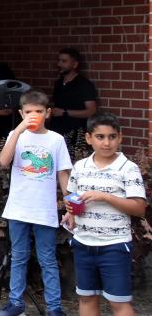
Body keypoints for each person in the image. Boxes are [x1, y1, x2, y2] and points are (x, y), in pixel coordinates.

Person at [0, 90, 71, 316]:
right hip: (18, 208)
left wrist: (70, 207)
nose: (33, 115)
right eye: (28, 112)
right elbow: (3, 161)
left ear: (47, 113)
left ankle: (54, 307)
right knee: (18, 256)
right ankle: (15, 303)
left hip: (44, 210)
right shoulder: (15, 135)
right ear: (21, 113)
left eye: (38, 111)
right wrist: (18, 130)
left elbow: (63, 175)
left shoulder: (56, 140)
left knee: (47, 258)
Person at [62, 112, 147, 316]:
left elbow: (139, 208)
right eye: (100, 137)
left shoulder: (128, 169)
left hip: (115, 245)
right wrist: (71, 213)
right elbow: (72, 196)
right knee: (86, 298)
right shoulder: (80, 166)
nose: (107, 143)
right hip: (83, 243)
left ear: (120, 137)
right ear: (89, 138)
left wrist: (106, 197)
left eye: (112, 137)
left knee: (119, 303)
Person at [49, 48, 98, 137]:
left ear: (75, 64)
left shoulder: (84, 85)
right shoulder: (58, 83)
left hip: (75, 134)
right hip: (56, 132)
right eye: (59, 61)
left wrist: (64, 112)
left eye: (64, 61)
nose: (59, 64)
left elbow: (92, 111)